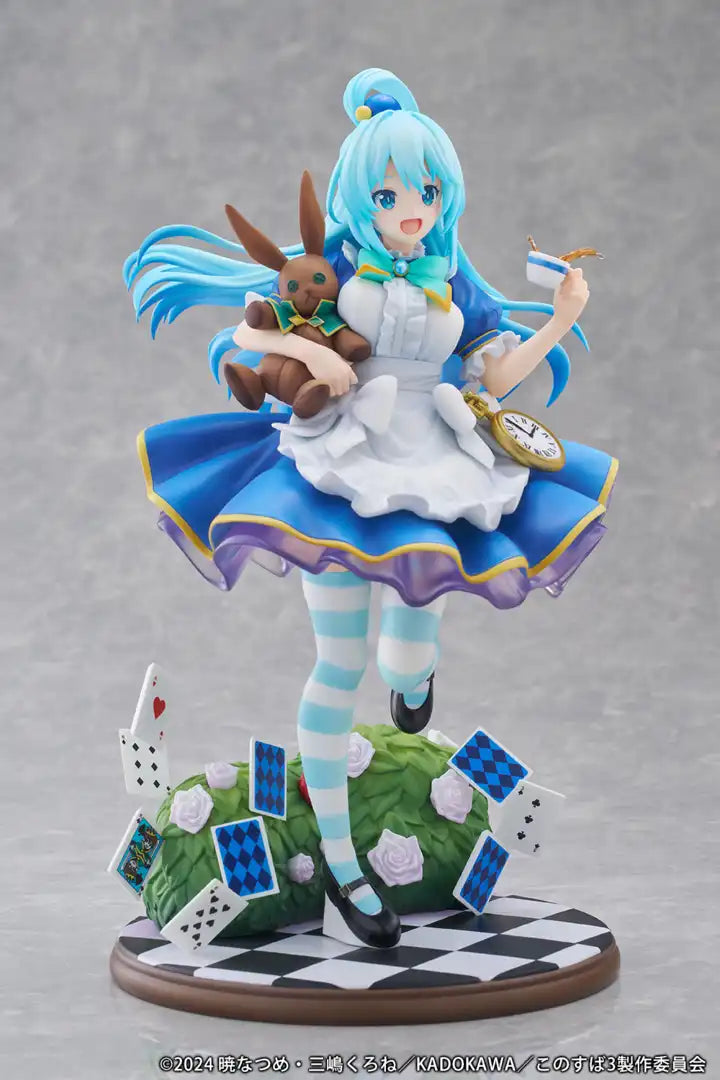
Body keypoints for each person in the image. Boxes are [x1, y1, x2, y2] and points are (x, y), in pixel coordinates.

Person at [127, 67, 618, 949]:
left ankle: (413, 679)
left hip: (436, 459)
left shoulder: (453, 275)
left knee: (408, 653)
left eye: (427, 192)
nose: (411, 209)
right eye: (391, 194)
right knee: (337, 660)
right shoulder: (344, 260)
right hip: (342, 462)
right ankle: (346, 868)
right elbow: (253, 329)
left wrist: (558, 318)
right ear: (361, 197)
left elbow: (499, 373)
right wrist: (319, 362)